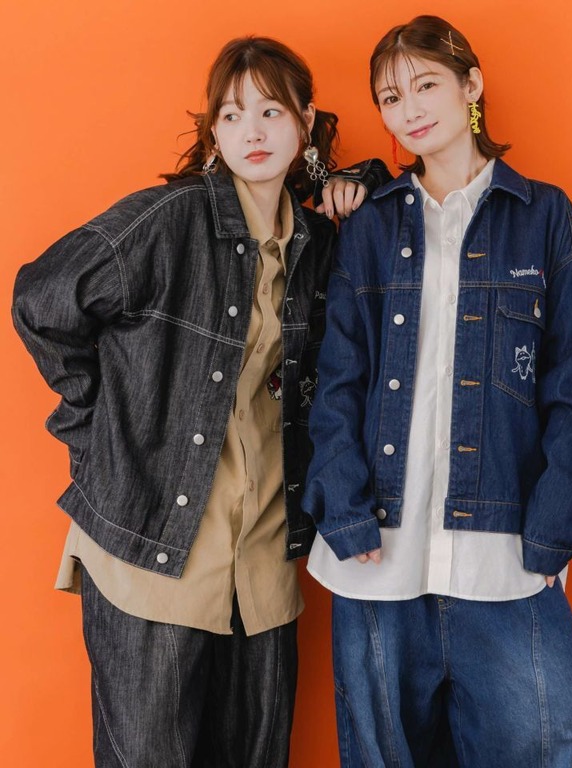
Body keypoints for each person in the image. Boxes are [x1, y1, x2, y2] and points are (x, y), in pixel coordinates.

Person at [12, 35, 387, 767]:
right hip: (151, 553)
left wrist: (362, 179)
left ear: (306, 122)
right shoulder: (170, 219)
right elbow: (41, 300)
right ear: (213, 132)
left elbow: (395, 232)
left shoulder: (316, 241)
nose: (252, 132)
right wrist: (94, 432)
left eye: (271, 111)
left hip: (262, 567)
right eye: (232, 115)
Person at [302, 15, 572, 767]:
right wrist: (343, 507)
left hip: (504, 558)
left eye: (426, 84)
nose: (409, 108)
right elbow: (338, 380)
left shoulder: (547, 219)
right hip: (376, 556)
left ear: (471, 85)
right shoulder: (370, 228)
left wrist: (553, 531)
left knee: (547, 746)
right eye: (390, 98)